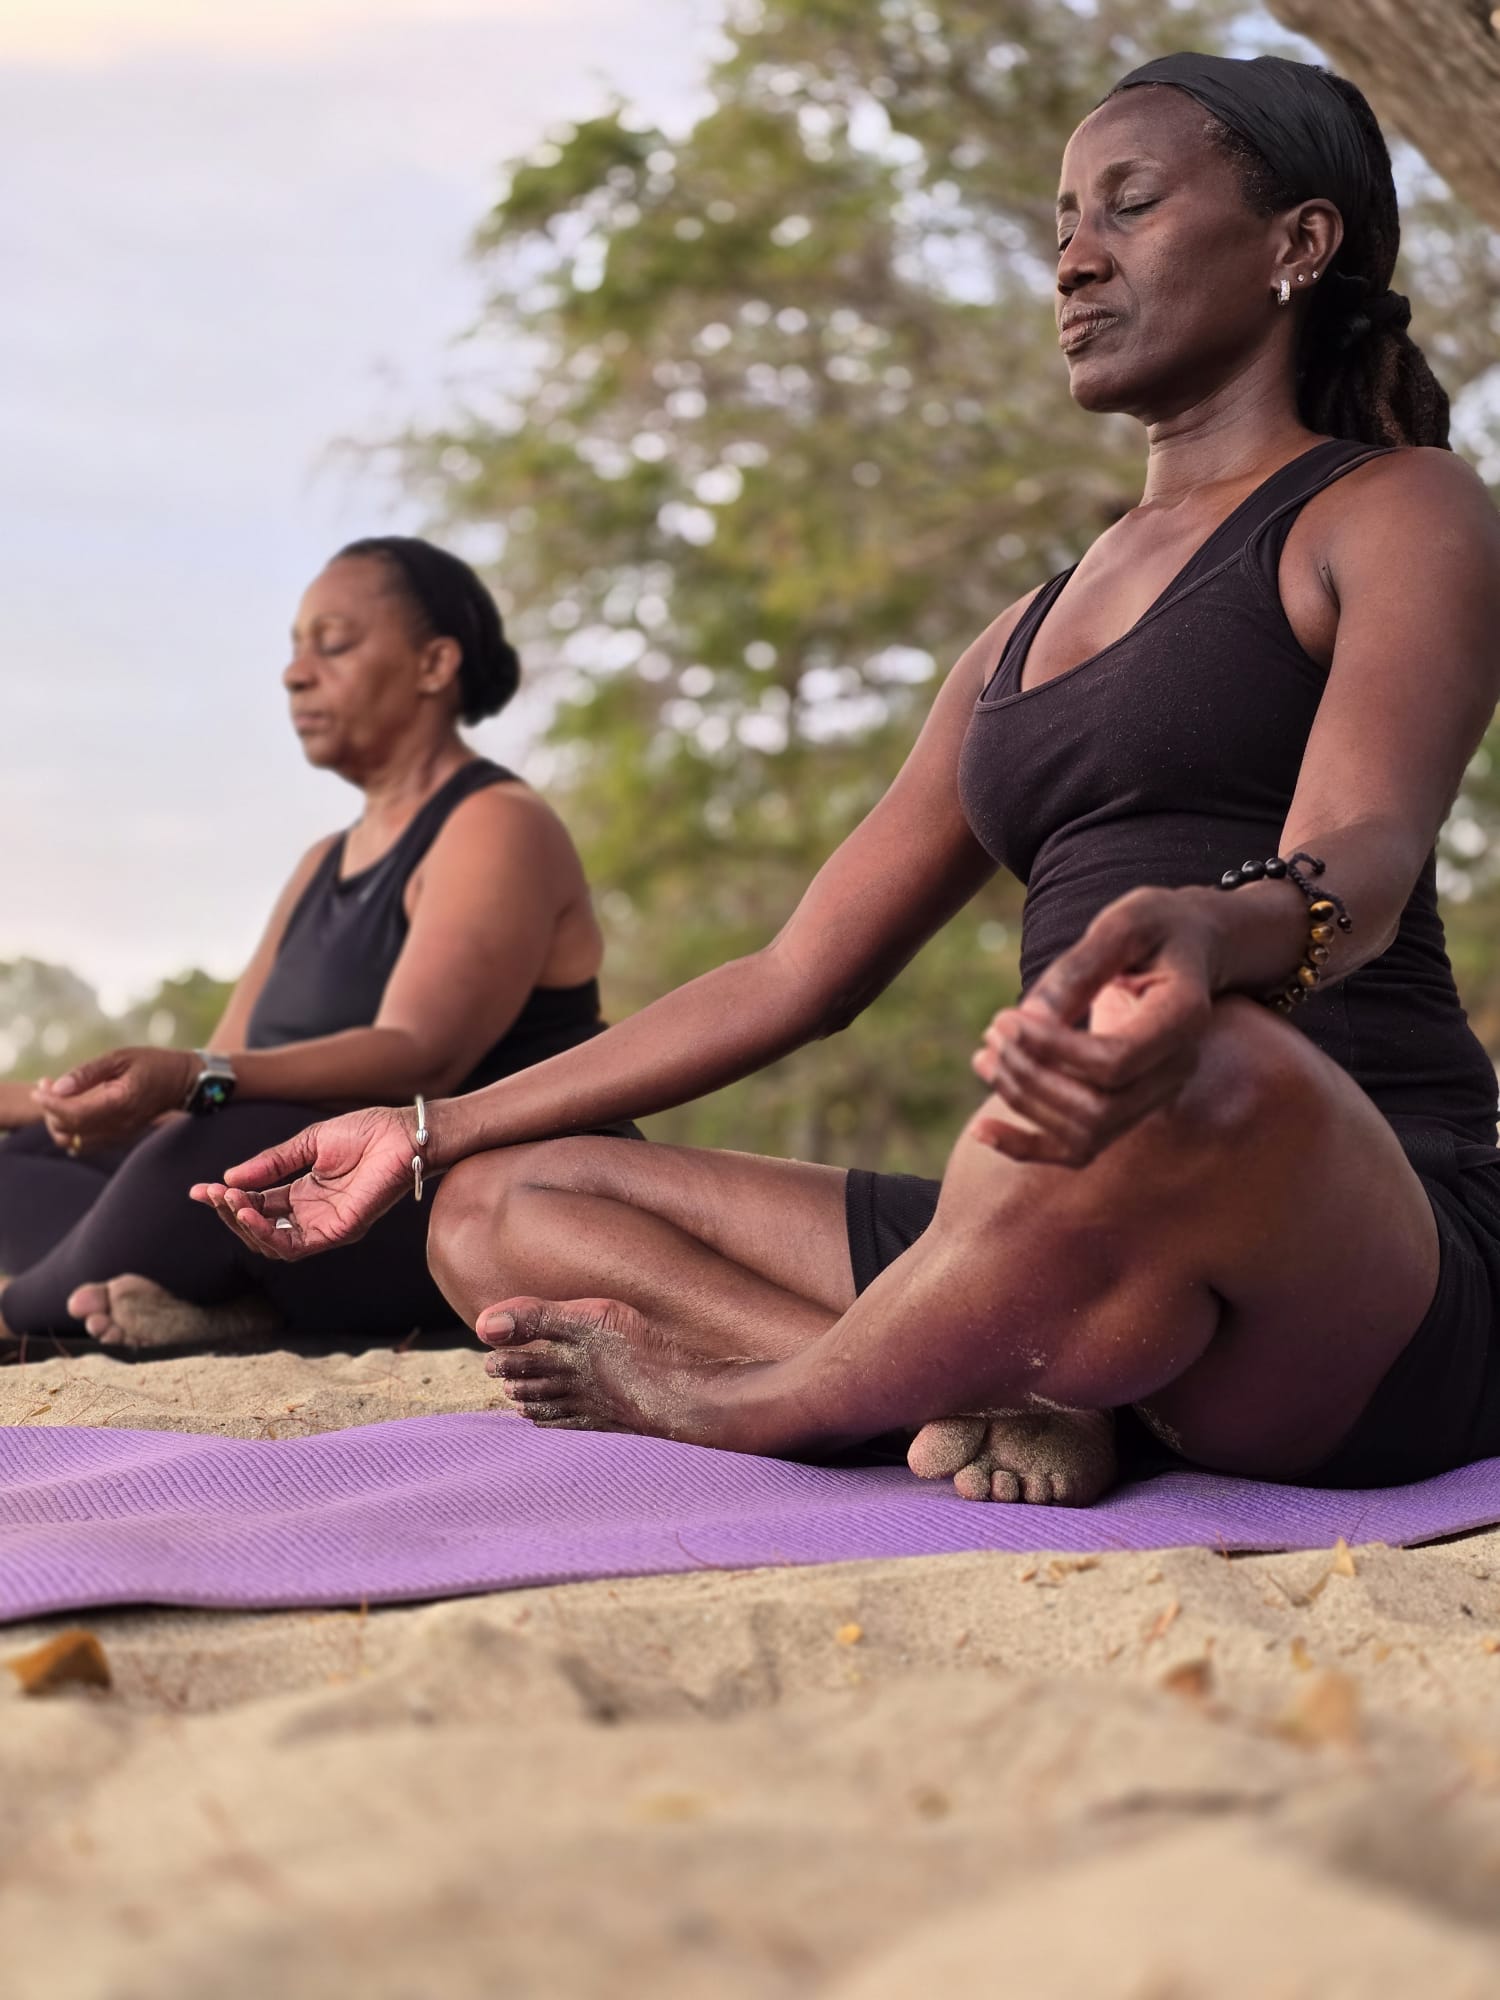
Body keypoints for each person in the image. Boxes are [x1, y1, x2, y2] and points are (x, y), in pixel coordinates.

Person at [192, 53, 1500, 1505]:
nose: (1074, 261)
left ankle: (772, 1401)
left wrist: (1207, 933)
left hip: (1346, 1241)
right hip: (1054, 1213)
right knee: (502, 1208)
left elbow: (1364, 858)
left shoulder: (1392, 509)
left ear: (1296, 247)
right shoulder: (1016, 640)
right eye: (1061, 222)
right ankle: (1003, 1376)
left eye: (1128, 208)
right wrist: (425, 1129)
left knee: (1203, 1059)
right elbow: (793, 975)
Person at [0, 536, 618, 1352]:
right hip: (270, 1174)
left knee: (211, 1151)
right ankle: (223, 1300)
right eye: (294, 650)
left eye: (333, 645)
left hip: (438, 1200)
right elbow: (212, 1071)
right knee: (45, 1153)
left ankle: (34, 1308)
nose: (296, 674)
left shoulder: (497, 825)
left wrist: (196, 1084)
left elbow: (420, 1055)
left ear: (435, 665)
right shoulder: (320, 864)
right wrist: (68, 1104)